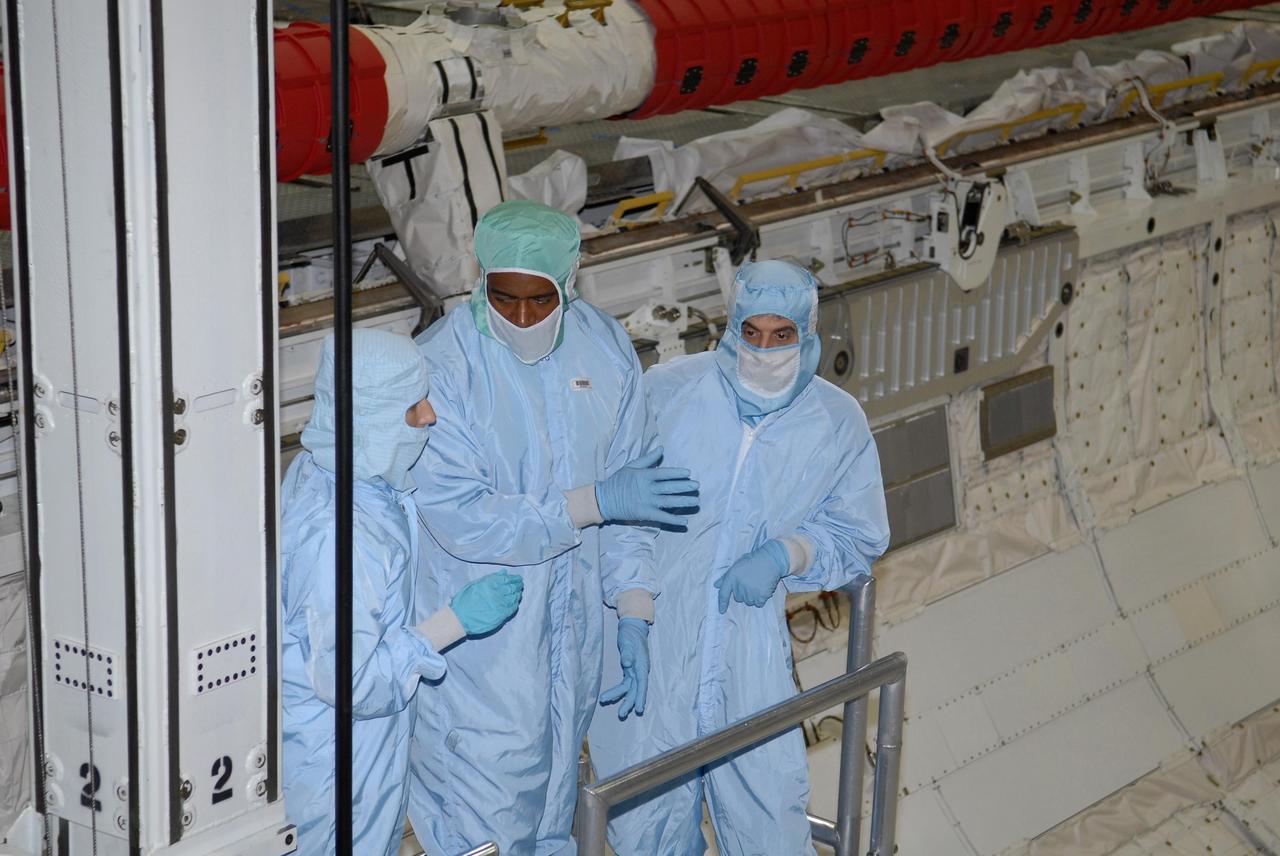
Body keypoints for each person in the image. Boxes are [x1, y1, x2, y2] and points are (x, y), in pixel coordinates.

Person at [406, 199, 699, 856]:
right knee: (486, 831)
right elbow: (465, 519)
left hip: (572, 650)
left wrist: (632, 605)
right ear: (480, 282)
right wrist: (588, 502)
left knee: (552, 826)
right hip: (481, 662)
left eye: (540, 301)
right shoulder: (442, 369)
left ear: (567, 284)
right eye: (503, 299)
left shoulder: (604, 347)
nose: (522, 317)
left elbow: (632, 495)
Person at [589, 260, 890, 856]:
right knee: (646, 832)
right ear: (731, 326)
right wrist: (631, 609)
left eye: (782, 335)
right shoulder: (668, 391)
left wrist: (789, 552)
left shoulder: (835, 422)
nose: (765, 348)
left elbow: (858, 533)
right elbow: (624, 515)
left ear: (808, 333)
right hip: (655, 645)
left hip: (750, 660)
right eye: (751, 332)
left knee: (770, 825)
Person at [281, 329, 525, 856]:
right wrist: (452, 623)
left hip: (358, 755)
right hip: (336, 774)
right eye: (413, 406)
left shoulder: (341, 476)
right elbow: (351, 682)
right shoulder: (338, 533)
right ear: (369, 416)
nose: (430, 417)